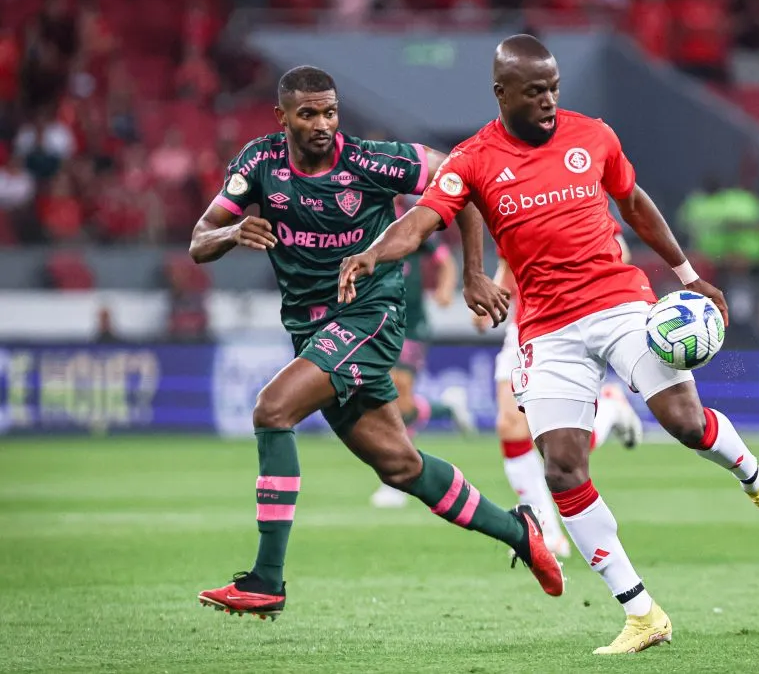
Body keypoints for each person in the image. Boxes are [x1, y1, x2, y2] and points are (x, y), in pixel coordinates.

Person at [338, 35, 759, 655]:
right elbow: (422, 220)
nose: (549, 101)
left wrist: (688, 274)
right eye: (535, 91)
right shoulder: (474, 158)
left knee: (685, 421)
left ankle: (757, 480)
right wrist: (373, 254)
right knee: (562, 468)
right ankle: (642, 614)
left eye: (554, 88)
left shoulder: (593, 136)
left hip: (619, 302)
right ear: (502, 93)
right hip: (547, 328)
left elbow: (633, 203)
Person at [189, 65, 563, 621]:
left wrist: (472, 273)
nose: (322, 124)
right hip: (311, 329)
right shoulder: (258, 164)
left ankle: (266, 580)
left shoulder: (371, 161)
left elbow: (462, 182)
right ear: (282, 117)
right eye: (308, 114)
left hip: (371, 315)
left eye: (330, 112)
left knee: (272, 410)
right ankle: (519, 530)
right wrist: (232, 232)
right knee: (400, 466)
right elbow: (199, 241)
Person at [479, 221, 644, 559]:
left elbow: (620, 253)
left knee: (559, 442)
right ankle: (546, 532)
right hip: (525, 323)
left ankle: (610, 410)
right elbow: (509, 261)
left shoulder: (579, 191)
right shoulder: (506, 197)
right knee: (510, 425)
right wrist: (492, 295)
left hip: (569, 324)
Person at [370, 201, 477, 509]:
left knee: (396, 390)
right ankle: (447, 408)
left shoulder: (410, 219)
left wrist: (445, 288)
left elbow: (444, 260)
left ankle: (395, 479)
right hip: (375, 322)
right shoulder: (363, 216)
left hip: (411, 324)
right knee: (393, 401)